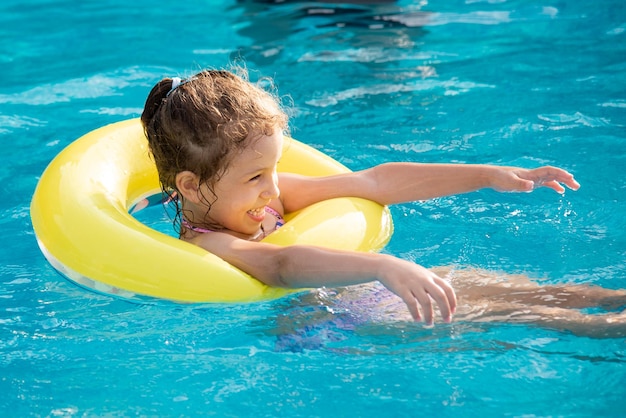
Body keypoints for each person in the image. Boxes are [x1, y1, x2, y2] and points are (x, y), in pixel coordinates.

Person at [140, 68, 625, 333]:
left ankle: (612, 300)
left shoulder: (266, 195)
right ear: (188, 186)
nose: (273, 187)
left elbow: (373, 183)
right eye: (255, 177)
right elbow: (282, 264)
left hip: (365, 288)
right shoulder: (210, 244)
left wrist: (487, 175)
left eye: (272, 169)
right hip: (328, 320)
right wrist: (382, 267)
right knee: (525, 315)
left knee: (527, 288)